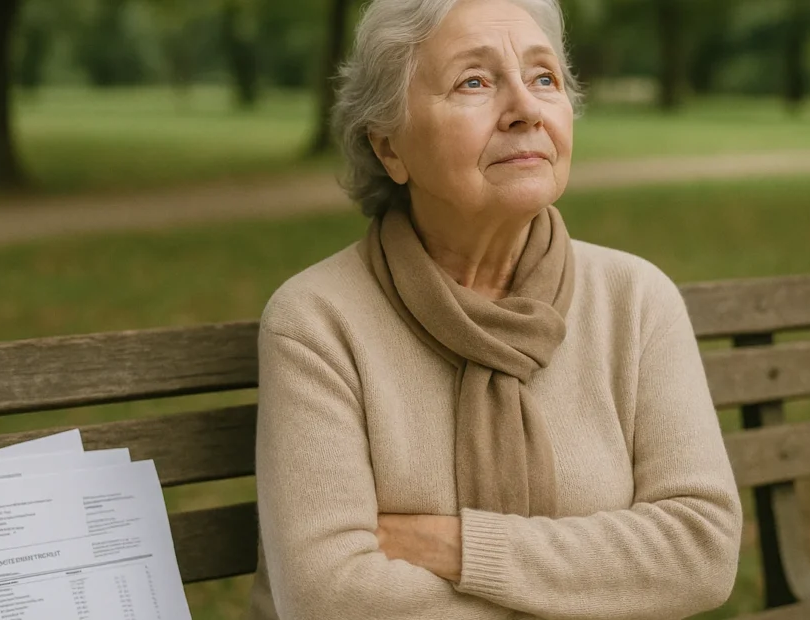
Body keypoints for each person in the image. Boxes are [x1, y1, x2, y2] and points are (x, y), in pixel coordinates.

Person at [246, 0, 743, 617]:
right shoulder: (317, 322)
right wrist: (598, 586)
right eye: (474, 82)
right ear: (388, 148)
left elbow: (701, 550)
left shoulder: (636, 299)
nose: (526, 111)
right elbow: (330, 597)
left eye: (544, 79)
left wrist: (458, 546)